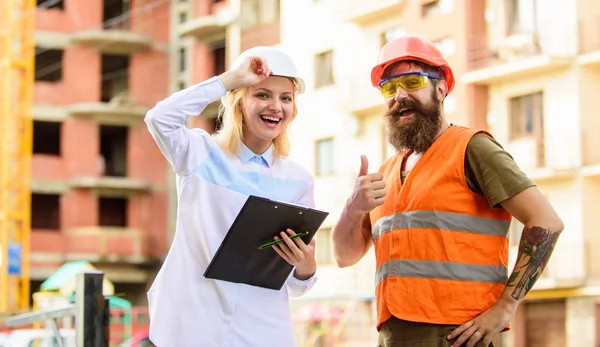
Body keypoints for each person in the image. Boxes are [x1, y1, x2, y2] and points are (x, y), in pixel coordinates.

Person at [331, 35, 564, 347]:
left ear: (440, 88)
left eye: (412, 81)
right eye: (388, 87)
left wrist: (505, 308)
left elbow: (546, 221)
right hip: (393, 338)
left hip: (457, 338)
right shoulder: (385, 172)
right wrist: (353, 208)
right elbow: (345, 256)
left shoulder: (472, 148)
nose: (399, 94)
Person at [144, 46, 318, 347]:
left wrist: (306, 266)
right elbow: (159, 119)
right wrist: (230, 79)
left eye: (285, 98)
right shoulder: (199, 153)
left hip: (262, 331)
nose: (276, 106)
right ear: (238, 101)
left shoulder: (297, 180)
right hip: (193, 327)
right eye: (262, 94)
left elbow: (294, 284)